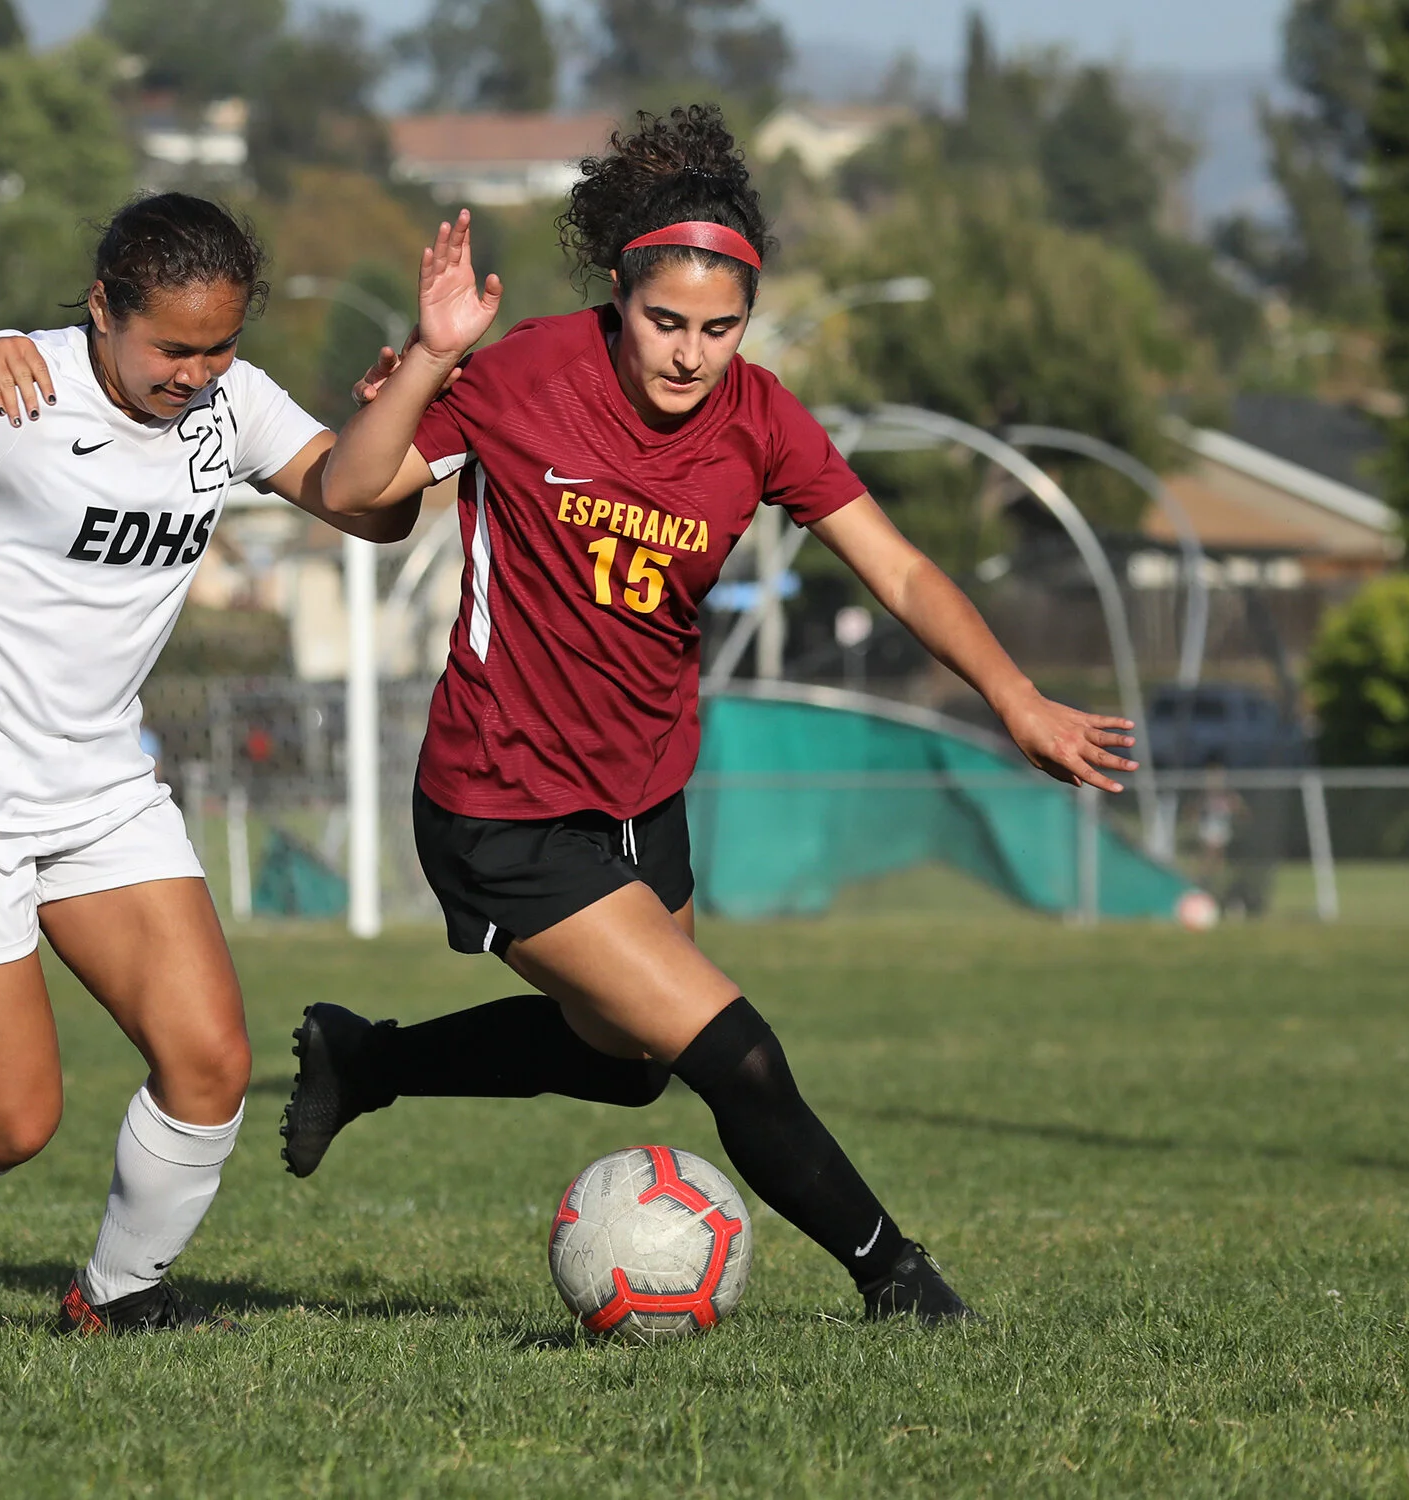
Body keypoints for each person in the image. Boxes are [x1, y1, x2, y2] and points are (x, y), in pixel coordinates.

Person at [279, 106, 1138, 1324]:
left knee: (628, 1071)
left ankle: (367, 1058)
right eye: (665, 323)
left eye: (719, 329)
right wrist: (428, 355)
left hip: (643, 792)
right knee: (737, 1054)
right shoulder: (526, 374)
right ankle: (901, 1283)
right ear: (620, 297)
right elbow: (354, 490)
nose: (689, 354)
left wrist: (1015, 699)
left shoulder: (762, 418)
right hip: (502, 801)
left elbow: (894, 568)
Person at [0, 192, 421, 1334]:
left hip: (94, 784)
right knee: (7, 1122)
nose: (194, 372)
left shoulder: (235, 406)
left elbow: (370, 512)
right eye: (171, 346)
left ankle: (117, 1303)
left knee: (209, 1062)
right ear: (102, 307)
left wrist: (409, 393)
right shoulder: (20, 382)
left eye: (218, 345)